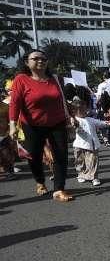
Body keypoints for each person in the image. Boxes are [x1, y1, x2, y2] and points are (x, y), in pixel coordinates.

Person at [8, 49, 74, 202]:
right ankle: (40, 181)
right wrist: (12, 125)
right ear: (27, 62)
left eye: (44, 59)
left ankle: (59, 189)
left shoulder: (55, 79)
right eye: (36, 58)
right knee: (34, 155)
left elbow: (62, 100)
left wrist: (69, 117)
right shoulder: (21, 79)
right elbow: (14, 103)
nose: (40, 61)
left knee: (61, 155)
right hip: (32, 124)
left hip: (57, 123)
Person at [72, 86, 108, 187]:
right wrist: (76, 126)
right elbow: (76, 129)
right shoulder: (74, 120)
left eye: (84, 109)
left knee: (93, 162)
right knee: (80, 162)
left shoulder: (90, 119)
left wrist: (107, 123)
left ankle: (94, 177)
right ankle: (81, 174)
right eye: (80, 110)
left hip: (91, 145)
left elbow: (100, 123)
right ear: (75, 111)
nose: (83, 111)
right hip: (79, 145)